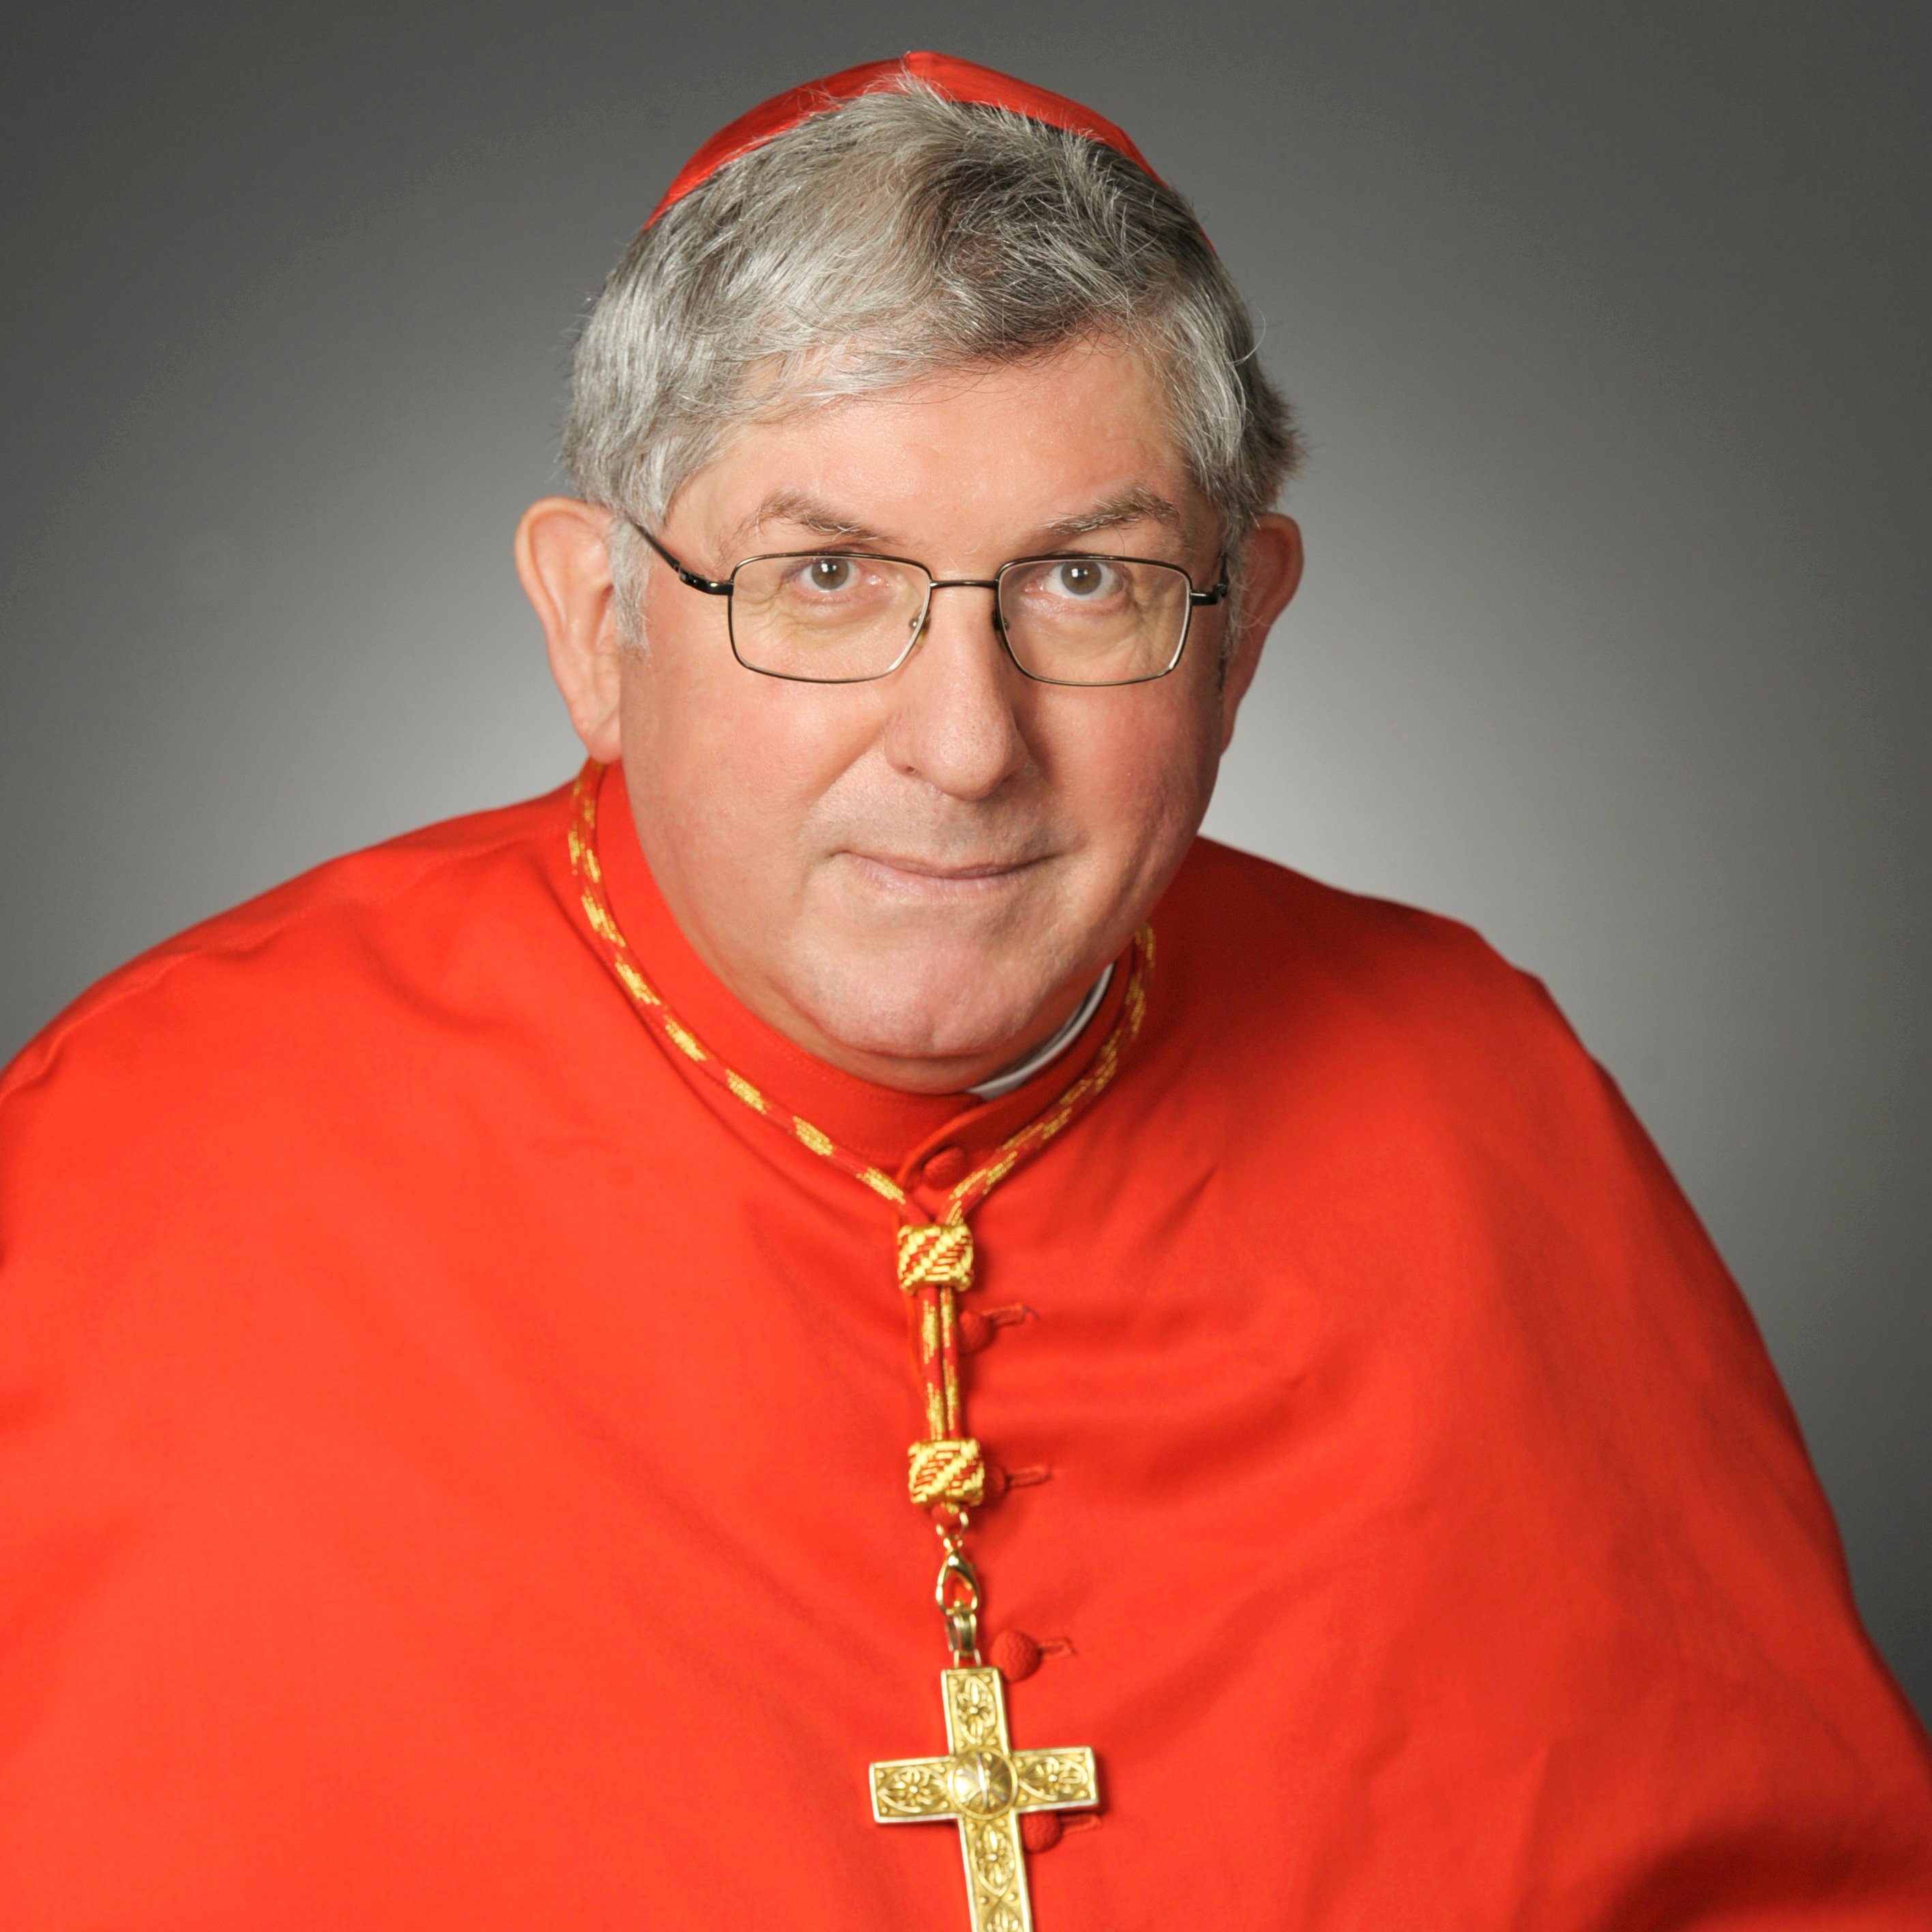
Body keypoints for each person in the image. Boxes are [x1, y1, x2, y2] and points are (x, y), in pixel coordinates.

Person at [1, 50, 1927, 1932]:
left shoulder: (1482, 1095)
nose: (962, 744)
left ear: (1239, 633)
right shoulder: (139, 1155)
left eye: (1088, 583)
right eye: (825, 574)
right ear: (603, 627)